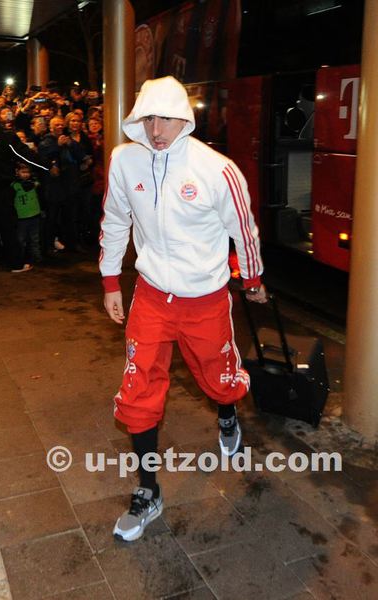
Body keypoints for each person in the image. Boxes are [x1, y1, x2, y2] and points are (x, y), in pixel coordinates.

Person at [99, 76, 267, 542]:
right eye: (148, 118)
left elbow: (244, 230)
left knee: (219, 380)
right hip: (152, 297)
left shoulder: (217, 170)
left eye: (167, 119)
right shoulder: (124, 160)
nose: (156, 130)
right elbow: (115, 219)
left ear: (185, 119)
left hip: (205, 299)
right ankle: (148, 490)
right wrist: (110, 280)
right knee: (138, 391)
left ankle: (227, 413)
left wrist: (252, 279)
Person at [0, 101, 48, 274]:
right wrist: (46, 166)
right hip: (0, 188)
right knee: (7, 226)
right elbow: (23, 153)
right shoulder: (2, 133)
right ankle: (15, 264)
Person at [11, 163, 43, 264]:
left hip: (35, 215)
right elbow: (25, 187)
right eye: (23, 172)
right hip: (22, 217)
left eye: (27, 172)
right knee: (21, 240)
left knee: (35, 239)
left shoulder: (33, 182)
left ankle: (37, 257)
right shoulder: (15, 185)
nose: (26, 174)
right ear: (17, 172)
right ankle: (21, 258)